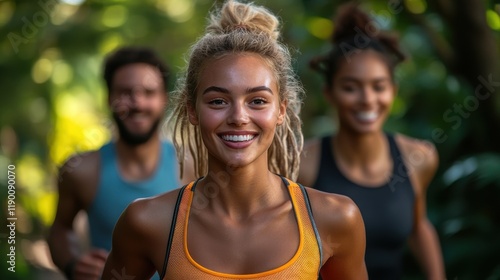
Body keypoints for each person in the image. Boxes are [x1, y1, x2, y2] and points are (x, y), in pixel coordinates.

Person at [101, 1, 367, 279]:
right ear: (192, 110)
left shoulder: (336, 219)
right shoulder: (148, 222)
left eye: (257, 101)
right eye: (218, 101)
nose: (239, 117)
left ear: (281, 110)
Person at [298, 3, 446, 280]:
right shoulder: (302, 165)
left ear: (393, 91)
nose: (367, 99)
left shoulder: (419, 158)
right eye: (351, 87)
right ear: (329, 93)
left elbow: (418, 225)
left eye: (378, 86)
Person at [48, 46, 194, 280]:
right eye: (125, 92)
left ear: (163, 99)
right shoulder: (81, 171)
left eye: (148, 92)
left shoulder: (191, 167)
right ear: (109, 98)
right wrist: (73, 264)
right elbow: (60, 230)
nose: (137, 103)